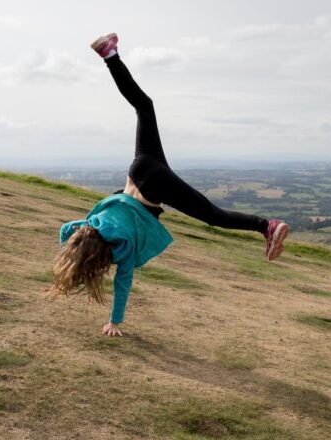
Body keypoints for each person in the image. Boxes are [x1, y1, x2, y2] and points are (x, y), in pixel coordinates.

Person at [49, 33, 289, 336]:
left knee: (213, 214)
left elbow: (123, 284)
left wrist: (115, 322)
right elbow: (64, 231)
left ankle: (266, 226)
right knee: (144, 106)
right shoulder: (88, 226)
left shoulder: (120, 250)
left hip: (152, 189)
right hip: (140, 169)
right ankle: (109, 55)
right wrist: (69, 250)